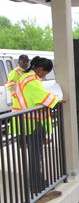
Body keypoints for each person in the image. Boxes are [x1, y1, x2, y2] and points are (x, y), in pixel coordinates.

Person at [14, 56, 59, 193]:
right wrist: (58, 98)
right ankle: (36, 185)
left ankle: (36, 181)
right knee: (35, 156)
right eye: (46, 73)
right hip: (31, 123)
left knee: (34, 155)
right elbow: (43, 97)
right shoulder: (31, 80)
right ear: (39, 69)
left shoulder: (25, 78)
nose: (45, 76)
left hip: (27, 122)